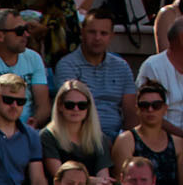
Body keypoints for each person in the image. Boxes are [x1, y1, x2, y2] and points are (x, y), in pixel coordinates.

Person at [56, 9, 137, 144]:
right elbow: (70, 112)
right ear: (82, 32)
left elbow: (131, 113)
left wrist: (131, 142)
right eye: (92, 32)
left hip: (117, 138)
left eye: (103, 33)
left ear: (112, 36)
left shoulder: (122, 67)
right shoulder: (67, 65)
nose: (97, 38)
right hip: (81, 137)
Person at [0, 9, 51, 121]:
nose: (26, 35)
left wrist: (33, 124)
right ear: (0, 35)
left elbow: (43, 106)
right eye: (20, 31)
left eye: (26, 29)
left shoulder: (34, 58)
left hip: (29, 130)